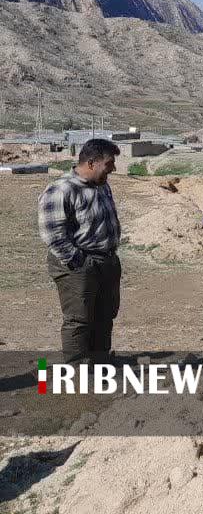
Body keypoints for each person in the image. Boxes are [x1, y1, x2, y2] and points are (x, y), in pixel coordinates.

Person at [38, 139, 122, 363]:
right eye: (109, 163)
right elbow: (53, 235)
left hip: (106, 262)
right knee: (79, 319)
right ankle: (77, 370)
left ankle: (99, 362)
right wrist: (80, 262)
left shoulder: (102, 184)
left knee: (105, 315)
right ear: (92, 163)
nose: (113, 169)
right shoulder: (61, 189)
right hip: (77, 264)